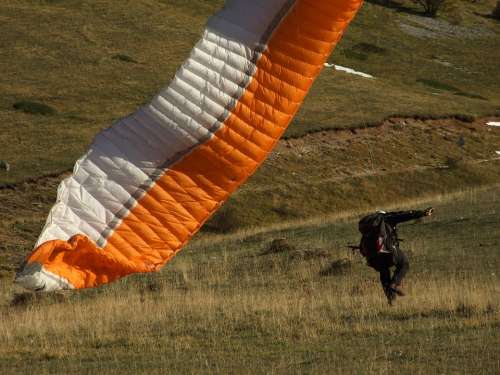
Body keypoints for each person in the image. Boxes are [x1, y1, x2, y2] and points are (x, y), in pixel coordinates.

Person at [358, 207, 434, 305]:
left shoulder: (368, 226)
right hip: (387, 250)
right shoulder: (386, 218)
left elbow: (362, 245)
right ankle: (394, 284)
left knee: (384, 272)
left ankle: (391, 300)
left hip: (372, 257)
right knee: (404, 263)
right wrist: (422, 213)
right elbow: (404, 215)